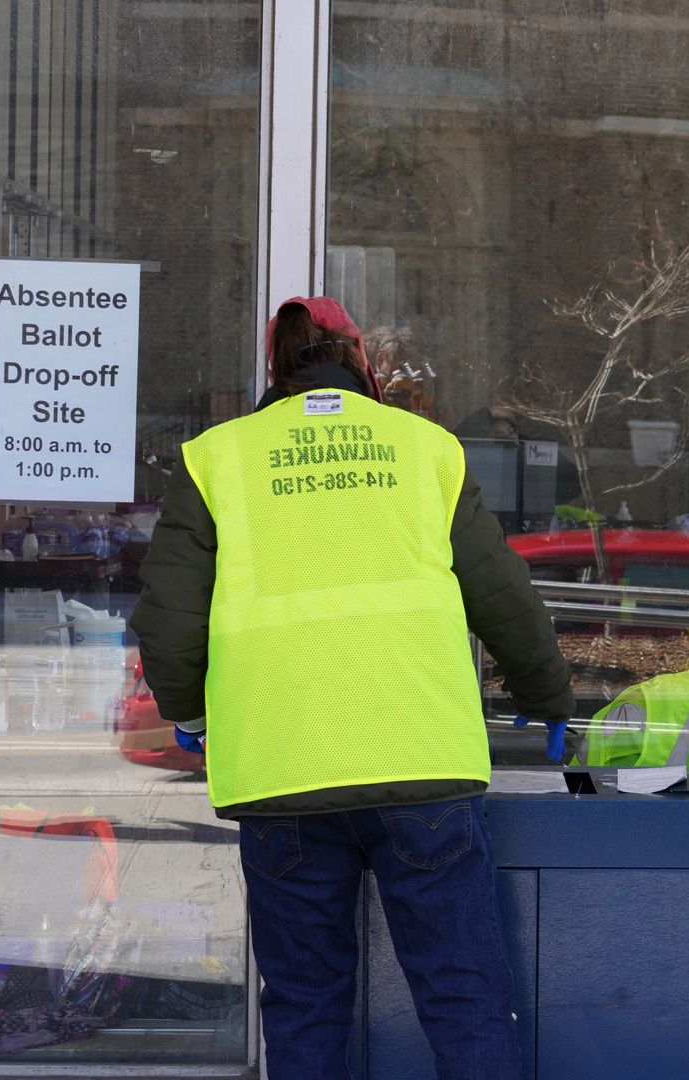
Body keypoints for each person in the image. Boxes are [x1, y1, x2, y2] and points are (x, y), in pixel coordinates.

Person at [130, 296, 574, 1078]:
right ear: (362, 361)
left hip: (282, 769)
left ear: (276, 367)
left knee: (305, 1004)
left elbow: (168, 616)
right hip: (421, 764)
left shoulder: (217, 458)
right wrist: (548, 698)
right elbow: (502, 592)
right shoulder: (425, 449)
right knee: (464, 993)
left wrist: (187, 711)